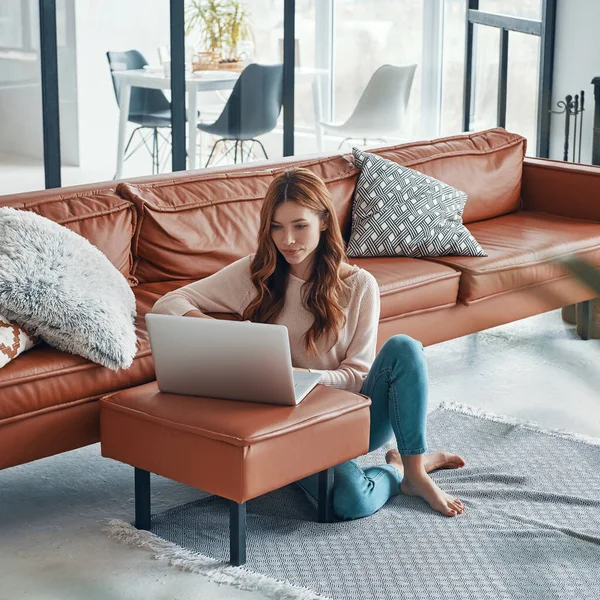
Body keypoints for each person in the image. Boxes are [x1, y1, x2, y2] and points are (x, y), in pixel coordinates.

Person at [152, 167, 466, 520]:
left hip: (349, 417)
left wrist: (300, 374)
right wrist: (223, 334)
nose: (287, 240)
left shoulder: (360, 286)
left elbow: (358, 374)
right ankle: (395, 472)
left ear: (323, 223)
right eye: (276, 227)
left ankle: (415, 470)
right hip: (289, 423)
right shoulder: (255, 274)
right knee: (351, 503)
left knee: (405, 348)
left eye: (299, 226)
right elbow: (169, 304)